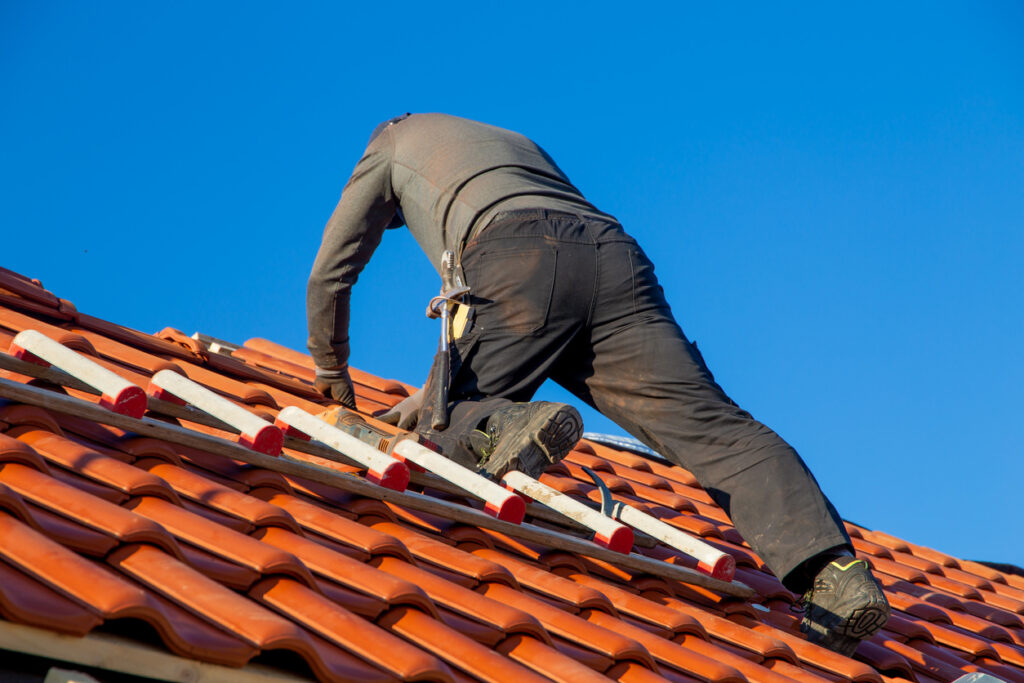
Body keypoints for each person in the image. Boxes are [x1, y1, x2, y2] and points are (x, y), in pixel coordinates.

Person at [306, 113, 890, 655]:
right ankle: (834, 575)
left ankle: (504, 425)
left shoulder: (385, 146)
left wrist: (334, 381)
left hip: (515, 252)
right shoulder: (509, 143)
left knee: (445, 439)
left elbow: (331, 272)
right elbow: (552, 283)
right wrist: (430, 398)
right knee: (714, 428)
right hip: (614, 261)